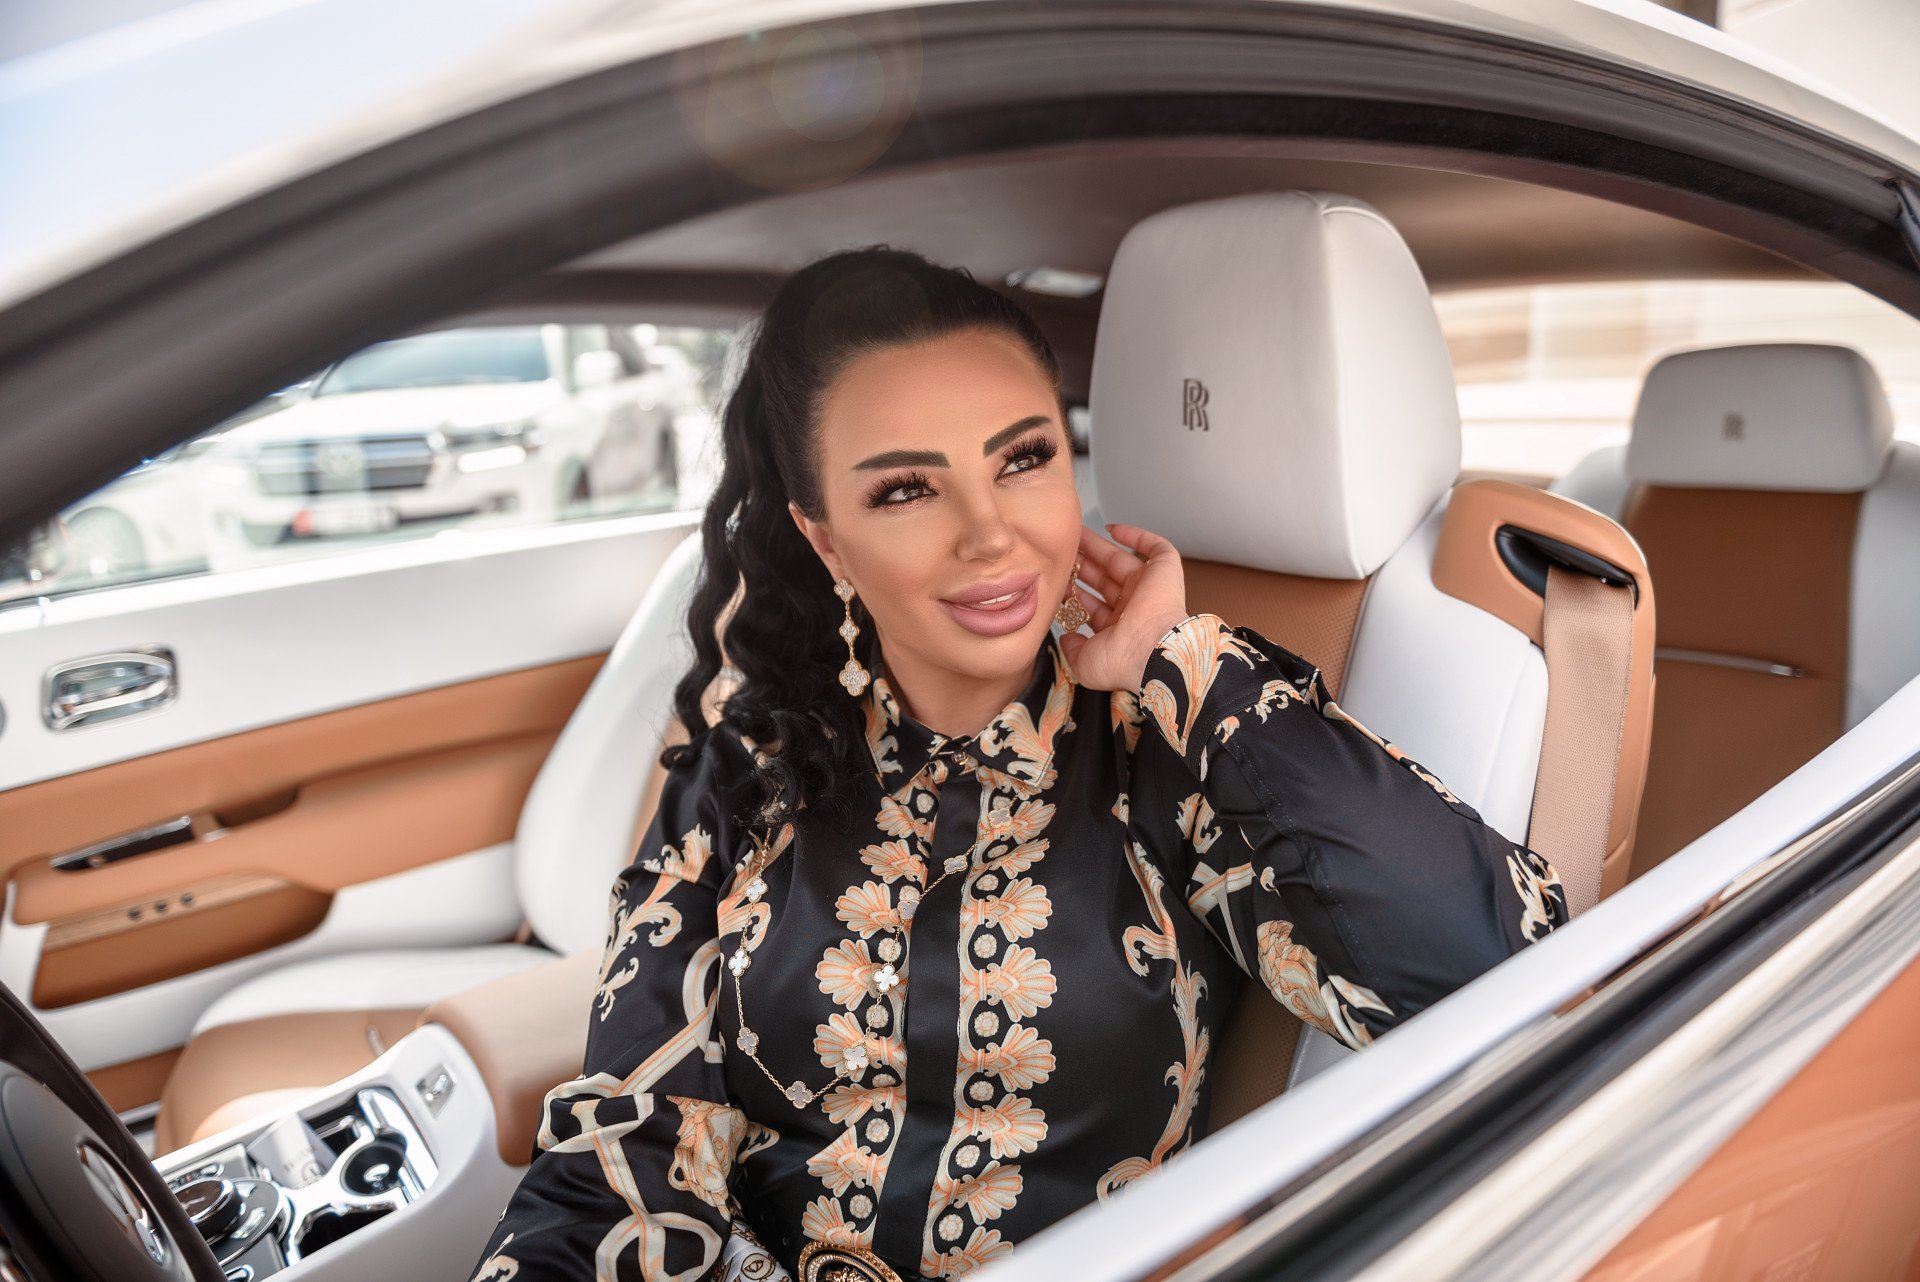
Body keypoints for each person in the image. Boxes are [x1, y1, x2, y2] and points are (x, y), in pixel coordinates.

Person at [469, 247, 1568, 1282]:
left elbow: (1496, 974)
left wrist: (1181, 662)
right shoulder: (749, 768)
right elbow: (623, 1145)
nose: (991, 533)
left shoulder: (1171, 749)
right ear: (824, 537)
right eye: (906, 488)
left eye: (1024, 459)